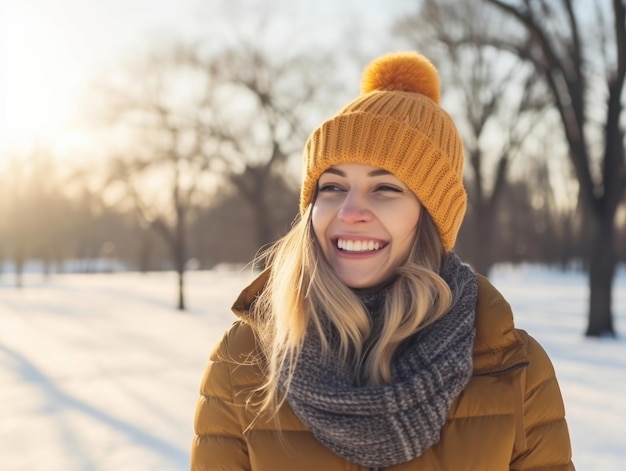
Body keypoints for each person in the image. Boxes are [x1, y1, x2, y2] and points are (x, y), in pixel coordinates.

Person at [190, 52, 575, 470]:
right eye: (333, 186)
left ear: (430, 216)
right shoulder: (243, 360)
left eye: (385, 188)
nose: (349, 211)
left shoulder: (514, 371)